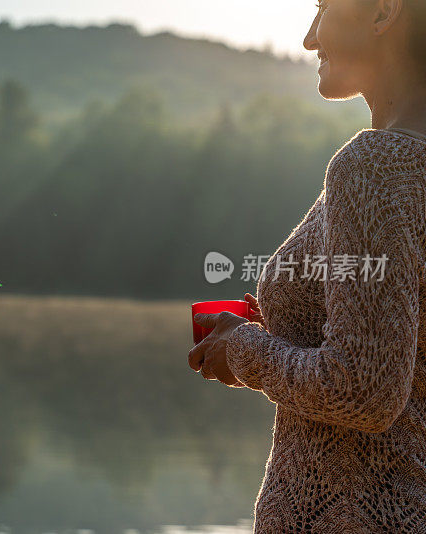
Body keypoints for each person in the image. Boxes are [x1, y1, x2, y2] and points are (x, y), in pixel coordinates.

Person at [189, 0, 426, 531]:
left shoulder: (375, 167)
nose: (309, 38)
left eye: (322, 7)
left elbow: (363, 389)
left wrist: (242, 348)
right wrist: (287, 328)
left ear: (385, 9)